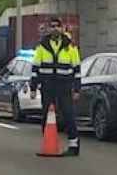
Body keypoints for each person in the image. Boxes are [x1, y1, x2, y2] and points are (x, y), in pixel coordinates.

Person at [31, 16, 83, 156]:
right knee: (46, 115)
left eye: (57, 26)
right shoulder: (43, 45)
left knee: (68, 114)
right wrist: (33, 88)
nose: (55, 29)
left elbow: (77, 69)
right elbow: (35, 68)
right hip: (47, 85)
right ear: (49, 29)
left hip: (64, 85)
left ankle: (73, 145)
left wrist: (77, 89)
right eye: (52, 26)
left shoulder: (70, 45)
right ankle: (49, 142)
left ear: (61, 28)